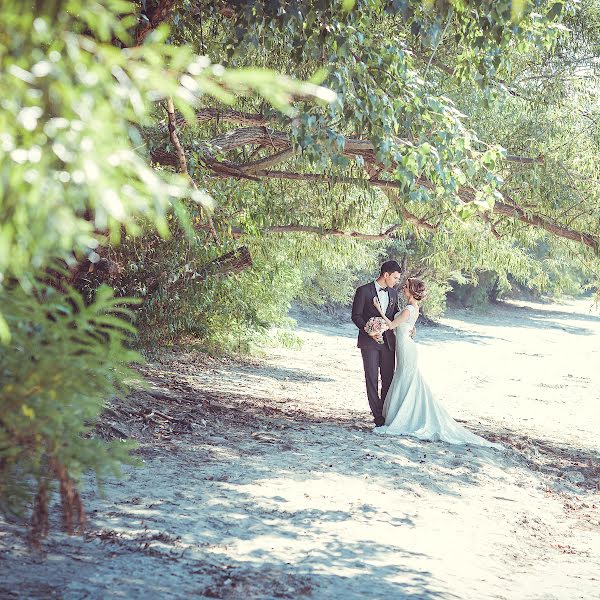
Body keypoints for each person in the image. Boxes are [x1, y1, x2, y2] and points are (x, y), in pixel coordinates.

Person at [373, 277, 500, 447]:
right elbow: (406, 325)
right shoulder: (412, 308)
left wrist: (378, 308)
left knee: (407, 377)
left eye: (406, 287)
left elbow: (390, 325)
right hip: (405, 345)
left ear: (411, 291)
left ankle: (407, 415)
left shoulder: (409, 309)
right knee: (405, 377)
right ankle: (403, 413)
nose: (403, 289)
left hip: (406, 348)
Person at [351, 260, 402, 427]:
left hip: (388, 343)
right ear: (386, 275)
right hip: (369, 342)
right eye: (394, 277)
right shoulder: (363, 291)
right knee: (371, 378)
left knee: (388, 378)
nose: (396, 281)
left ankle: (386, 414)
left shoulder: (393, 294)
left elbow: (395, 316)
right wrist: (369, 330)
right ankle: (378, 418)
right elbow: (356, 316)